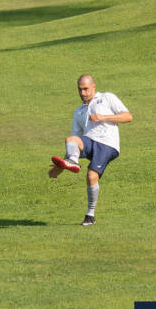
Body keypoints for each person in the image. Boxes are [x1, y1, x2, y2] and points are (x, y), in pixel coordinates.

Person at [48, 74, 132, 225]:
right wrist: (61, 166)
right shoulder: (78, 112)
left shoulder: (107, 98)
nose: (82, 93)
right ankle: (72, 162)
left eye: (86, 89)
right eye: (80, 90)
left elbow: (128, 116)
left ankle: (90, 214)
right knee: (71, 140)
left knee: (91, 176)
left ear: (94, 86)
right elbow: (74, 145)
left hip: (107, 144)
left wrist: (103, 117)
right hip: (89, 142)